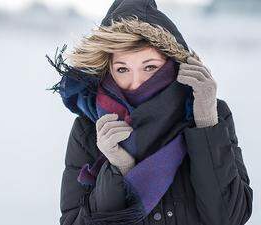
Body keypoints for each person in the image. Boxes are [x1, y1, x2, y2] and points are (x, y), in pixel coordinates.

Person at [46, 0, 253, 224]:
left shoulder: (210, 113)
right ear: (108, 70)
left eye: (150, 67)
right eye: (122, 69)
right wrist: (118, 170)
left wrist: (205, 125)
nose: (136, 83)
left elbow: (230, 217)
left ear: (170, 63)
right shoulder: (88, 130)